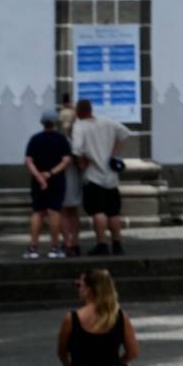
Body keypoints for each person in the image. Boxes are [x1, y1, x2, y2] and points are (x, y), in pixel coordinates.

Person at [70, 99, 131, 255]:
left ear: (78, 112)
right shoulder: (107, 121)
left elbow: (76, 149)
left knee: (98, 211)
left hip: (93, 176)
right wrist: (114, 153)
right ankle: (117, 244)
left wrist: (81, 163)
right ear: (91, 109)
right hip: (111, 176)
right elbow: (125, 133)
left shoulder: (80, 126)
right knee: (113, 212)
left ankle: (102, 244)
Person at [23, 109, 73, 259]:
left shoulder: (35, 139)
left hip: (38, 182)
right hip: (56, 180)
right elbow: (66, 160)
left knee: (37, 212)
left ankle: (33, 247)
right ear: (56, 122)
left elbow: (28, 161)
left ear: (42, 122)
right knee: (54, 212)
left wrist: (39, 176)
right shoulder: (61, 139)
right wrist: (50, 173)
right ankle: (54, 247)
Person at [58, 93, 83, 256]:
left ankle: (67, 241)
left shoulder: (61, 138)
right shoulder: (77, 136)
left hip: (63, 176)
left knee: (64, 211)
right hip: (75, 175)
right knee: (73, 211)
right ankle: (75, 241)